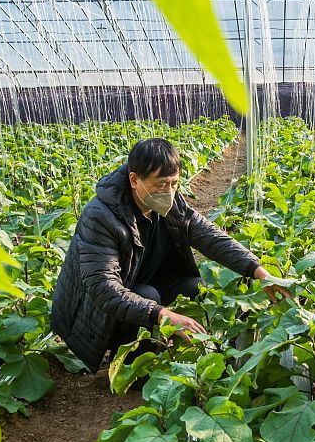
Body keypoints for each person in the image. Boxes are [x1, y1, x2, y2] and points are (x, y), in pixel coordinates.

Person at [52, 137, 287, 372]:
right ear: (134, 180)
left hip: (143, 281)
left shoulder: (170, 203)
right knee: (147, 295)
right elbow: (103, 289)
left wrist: (259, 271)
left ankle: (173, 345)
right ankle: (130, 366)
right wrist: (163, 314)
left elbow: (209, 236)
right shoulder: (100, 216)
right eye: (162, 184)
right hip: (95, 311)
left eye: (174, 183)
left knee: (196, 287)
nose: (169, 192)